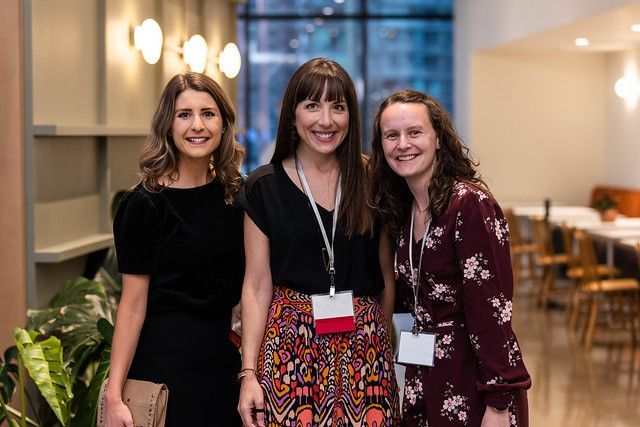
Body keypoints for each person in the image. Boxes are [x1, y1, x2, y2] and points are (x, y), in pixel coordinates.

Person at [236, 58, 400, 426]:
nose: (326, 121)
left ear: (351, 116)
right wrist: (248, 374)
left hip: (365, 348)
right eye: (312, 105)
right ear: (292, 116)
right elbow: (257, 284)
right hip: (288, 349)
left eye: (337, 107)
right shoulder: (264, 187)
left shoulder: (374, 180)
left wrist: (377, 346)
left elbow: (386, 276)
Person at [369, 89, 531, 427]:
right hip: (424, 370)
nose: (403, 144)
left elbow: (492, 310)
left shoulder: (469, 205)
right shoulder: (405, 209)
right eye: (392, 135)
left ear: (439, 139)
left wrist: (498, 401)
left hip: (473, 378)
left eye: (414, 132)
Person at [104, 72, 245, 426]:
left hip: (223, 367)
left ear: (224, 124)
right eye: (184, 114)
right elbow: (133, 304)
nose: (197, 125)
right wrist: (114, 393)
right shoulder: (145, 204)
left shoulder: (237, 196)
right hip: (163, 373)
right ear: (167, 124)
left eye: (208, 113)